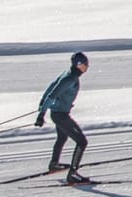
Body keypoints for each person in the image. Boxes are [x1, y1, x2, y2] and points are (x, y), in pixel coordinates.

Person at [35, 52, 92, 184]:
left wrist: (42, 107)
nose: (87, 66)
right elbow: (52, 94)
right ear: (79, 65)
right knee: (82, 142)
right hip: (60, 116)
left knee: (62, 137)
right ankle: (73, 174)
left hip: (59, 113)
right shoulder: (70, 79)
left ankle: (54, 164)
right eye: (85, 64)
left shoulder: (68, 74)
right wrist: (41, 113)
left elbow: (51, 88)